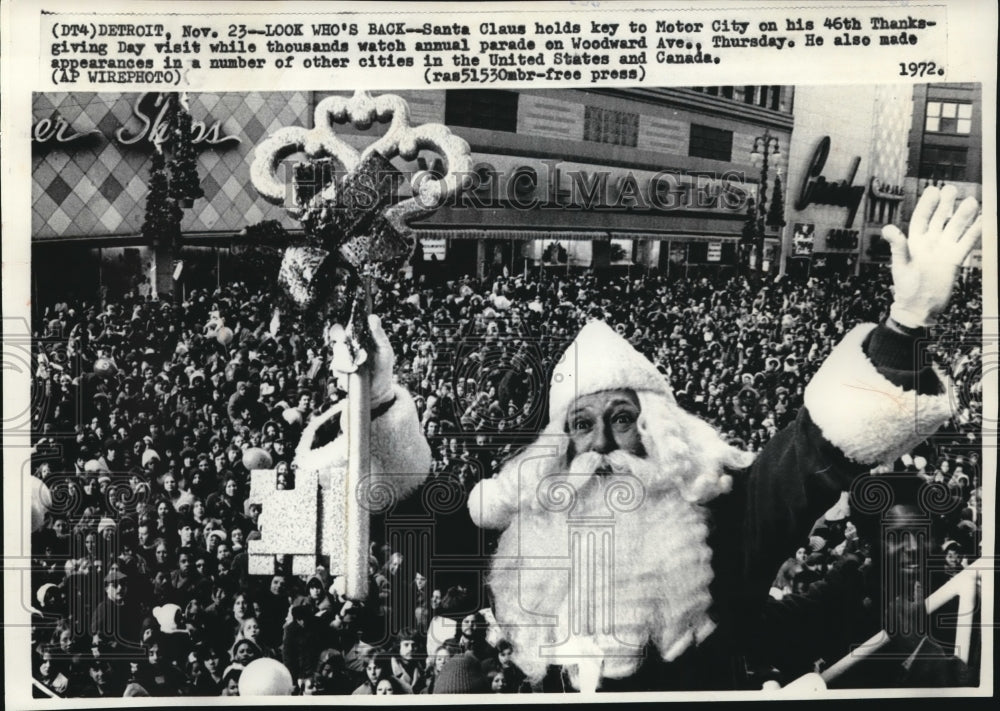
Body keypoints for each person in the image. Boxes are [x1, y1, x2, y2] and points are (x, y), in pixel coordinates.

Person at [317, 185, 980, 690]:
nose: (602, 443)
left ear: (658, 428)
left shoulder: (722, 522)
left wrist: (907, 319)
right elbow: (417, 519)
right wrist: (376, 396)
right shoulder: (529, 529)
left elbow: (811, 453)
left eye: (621, 417)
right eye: (582, 424)